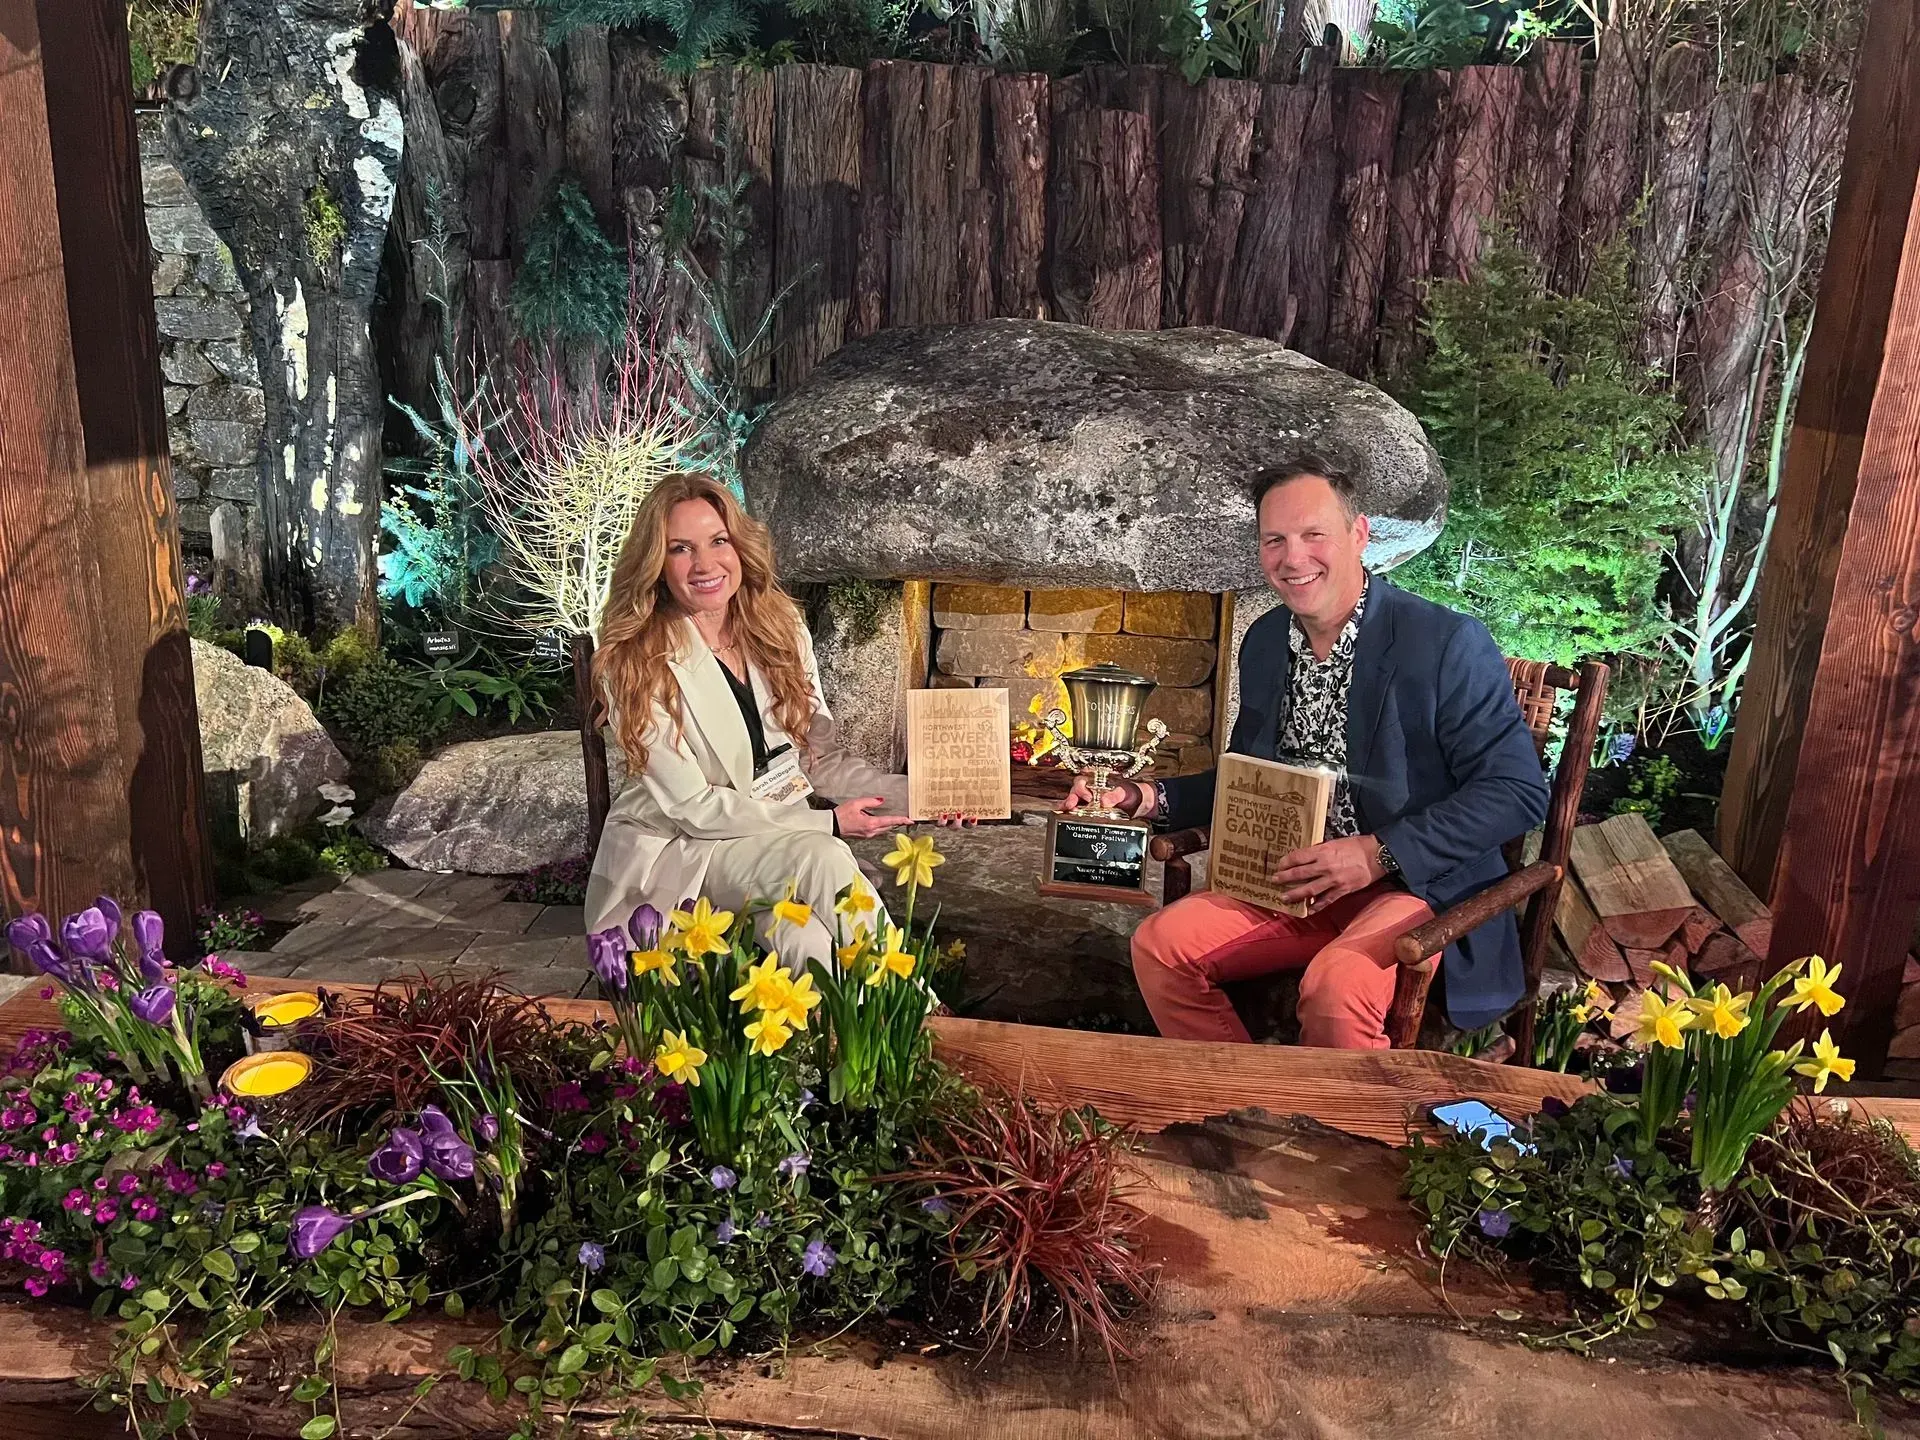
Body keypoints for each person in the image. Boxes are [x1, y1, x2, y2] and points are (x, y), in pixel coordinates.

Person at [1062, 456, 1549, 1049]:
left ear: (1360, 534)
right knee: (1160, 947)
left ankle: (1350, 1132)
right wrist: (1143, 795)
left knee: (1336, 986)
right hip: (1289, 883)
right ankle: (1243, 1108)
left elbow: (1517, 792)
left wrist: (1378, 853)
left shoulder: (1446, 642)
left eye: (1314, 534)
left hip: (1417, 889)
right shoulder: (1266, 642)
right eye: (1275, 540)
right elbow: (1248, 782)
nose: (1294, 558)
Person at [585, 474, 945, 970]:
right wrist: (828, 821)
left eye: (718, 541)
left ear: (740, 545)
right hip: (685, 848)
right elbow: (693, 808)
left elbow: (820, 759)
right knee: (821, 856)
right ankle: (918, 1010)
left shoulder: (779, 627)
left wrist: (934, 795)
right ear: (656, 564)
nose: (706, 564)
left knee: (800, 933)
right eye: (680, 549)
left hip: (774, 837)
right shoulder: (635, 660)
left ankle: (855, 1039)